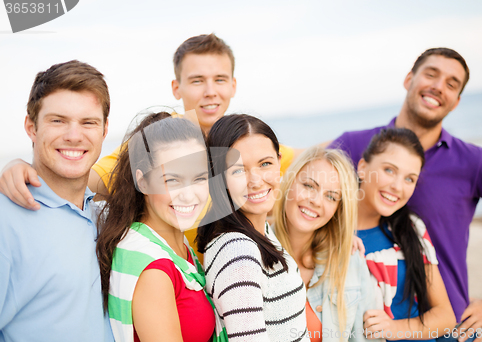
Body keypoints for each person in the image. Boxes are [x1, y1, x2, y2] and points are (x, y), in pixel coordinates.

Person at [0, 33, 295, 260]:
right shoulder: (160, 137)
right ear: (176, 88)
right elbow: (89, 178)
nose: (210, 92)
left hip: (205, 281)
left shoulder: (246, 142)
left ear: (233, 85)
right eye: (197, 80)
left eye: (219, 79)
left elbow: (307, 163)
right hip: (163, 277)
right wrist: (26, 169)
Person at [327, 48, 482, 338]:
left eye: (451, 83)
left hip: (444, 328)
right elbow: (303, 194)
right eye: (431, 74)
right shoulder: (353, 145)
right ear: (409, 79)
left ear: (456, 102)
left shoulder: (474, 162)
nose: (438, 86)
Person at [0, 60, 114, 341]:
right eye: (58, 120)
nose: (74, 136)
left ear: (104, 130)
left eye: (88, 122)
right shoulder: (6, 220)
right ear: (31, 127)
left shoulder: (105, 216)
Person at [96, 111, 226, 342]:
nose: (188, 195)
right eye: (172, 180)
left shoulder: (169, 241)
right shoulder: (154, 268)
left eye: (198, 178)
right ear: (143, 181)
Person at [196, 114, 310, 342]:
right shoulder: (238, 251)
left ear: (279, 162)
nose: (256, 181)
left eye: (265, 163)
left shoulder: (260, 231)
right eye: (238, 170)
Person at [356, 128, 455, 340]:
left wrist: (395, 328)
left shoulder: (411, 228)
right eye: (389, 170)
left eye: (410, 179)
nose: (397, 187)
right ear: (363, 167)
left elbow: (445, 316)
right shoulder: (327, 225)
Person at [273, 146, 380, 342]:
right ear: (289, 183)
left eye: (330, 196)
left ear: (337, 210)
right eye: (309, 186)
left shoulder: (350, 260)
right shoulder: (251, 250)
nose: (316, 201)